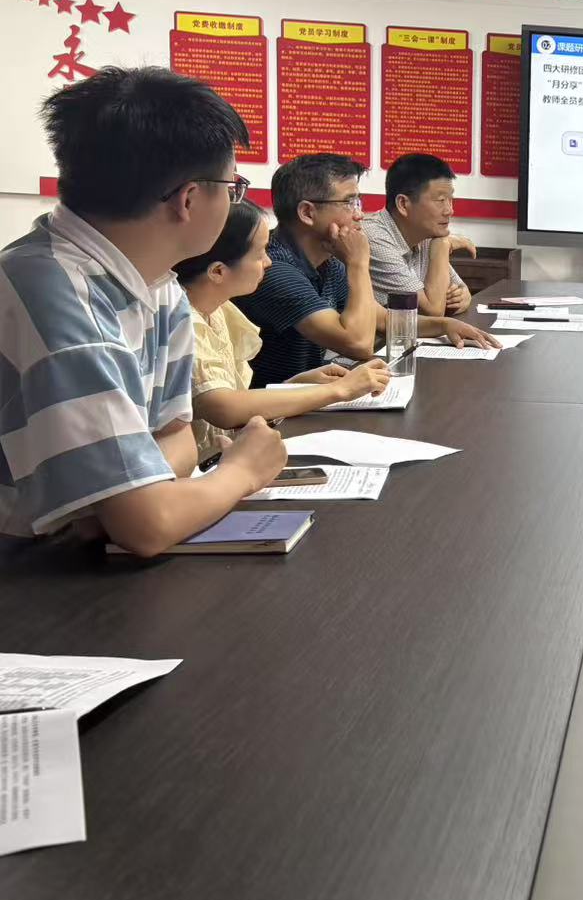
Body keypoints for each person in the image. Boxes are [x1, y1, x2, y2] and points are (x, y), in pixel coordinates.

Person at [0, 67, 286, 555]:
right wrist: (242, 470)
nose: (233, 198)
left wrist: (125, 494)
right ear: (189, 199)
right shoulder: (52, 291)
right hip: (26, 568)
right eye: (231, 186)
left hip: (75, 553)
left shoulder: (159, 282)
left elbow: (178, 440)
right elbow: (147, 526)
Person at [234, 153, 495, 388]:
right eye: (349, 203)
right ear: (307, 213)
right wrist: (358, 263)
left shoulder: (327, 262)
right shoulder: (273, 269)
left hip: (308, 399)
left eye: (358, 202)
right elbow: (359, 343)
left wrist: (445, 325)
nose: (359, 215)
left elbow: (384, 320)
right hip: (270, 412)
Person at [174, 199, 392, 461]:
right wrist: (340, 390)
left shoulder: (218, 310)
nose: (268, 262)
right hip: (203, 470)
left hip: (227, 454)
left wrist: (293, 386)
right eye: (259, 254)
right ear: (218, 271)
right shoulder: (184, 320)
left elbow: (235, 397)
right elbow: (223, 408)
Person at [363, 153, 477, 316]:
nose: (449, 210)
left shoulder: (425, 233)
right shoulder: (374, 237)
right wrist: (443, 245)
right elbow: (432, 311)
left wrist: (463, 296)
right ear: (403, 204)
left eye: (450, 199)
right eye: (440, 200)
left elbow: (460, 289)